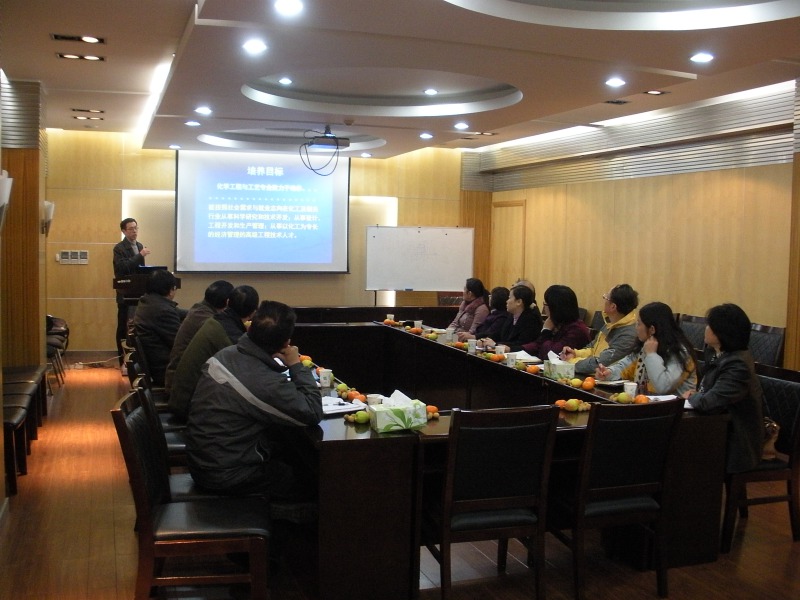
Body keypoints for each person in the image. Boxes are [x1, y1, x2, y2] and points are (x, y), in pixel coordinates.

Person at [186, 300, 323, 499]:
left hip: (203, 459)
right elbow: (312, 412)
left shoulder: (226, 354)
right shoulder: (263, 382)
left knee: (287, 446)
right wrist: (295, 365)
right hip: (225, 473)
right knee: (305, 475)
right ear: (286, 343)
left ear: (250, 328)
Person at [684, 304, 764, 473]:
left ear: (721, 333)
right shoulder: (716, 354)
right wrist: (698, 395)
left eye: (709, 325)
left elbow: (708, 402)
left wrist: (692, 396)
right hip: (716, 429)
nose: (705, 328)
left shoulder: (738, 364)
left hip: (736, 442)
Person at [169, 285, 260, 421]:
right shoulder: (230, 337)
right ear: (253, 313)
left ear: (228, 302)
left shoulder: (215, 321)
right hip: (190, 407)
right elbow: (248, 377)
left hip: (183, 397)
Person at [596, 301, 697, 396]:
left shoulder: (680, 353)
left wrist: (652, 355)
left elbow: (663, 387)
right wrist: (608, 372)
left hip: (675, 407)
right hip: (646, 403)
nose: (636, 327)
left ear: (652, 329)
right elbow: (626, 365)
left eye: (639, 324)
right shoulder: (645, 346)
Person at [164, 280, 233, 391]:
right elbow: (229, 348)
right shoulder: (208, 321)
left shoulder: (200, 310)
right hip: (182, 387)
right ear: (228, 302)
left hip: (178, 379)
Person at [560, 283, 639, 375]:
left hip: (605, 378)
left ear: (613, 306)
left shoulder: (628, 335)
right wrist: (575, 353)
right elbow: (592, 348)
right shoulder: (610, 323)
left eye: (606, 298)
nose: (604, 300)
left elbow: (600, 363)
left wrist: (571, 362)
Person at [132, 269, 185, 387]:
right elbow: (180, 344)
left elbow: (179, 312)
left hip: (157, 367)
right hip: (167, 371)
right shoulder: (163, 311)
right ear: (171, 290)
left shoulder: (148, 301)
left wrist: (197, 313)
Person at [113, 218, 150, 369]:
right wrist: (140, 255)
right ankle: (122, 360)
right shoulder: (119, 248)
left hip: (139, 293)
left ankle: (136, 360)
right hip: (126, 293)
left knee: (137, 327)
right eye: (131, 229)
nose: (134, 231)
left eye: (136, 228)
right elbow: (123, 268)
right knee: (124, 327)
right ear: (123, 231)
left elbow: (139, 270)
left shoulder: (139, 245)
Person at [521, 285, 591, 359]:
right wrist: (519, 349)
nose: (544, 308)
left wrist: (546, 331)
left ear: (555, 308)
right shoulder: (559, 323)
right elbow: (538, 344)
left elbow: (549, 355)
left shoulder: (576, 330)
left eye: (545, 304)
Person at [482, 284, 542, 351]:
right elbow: (500, 334)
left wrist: (495, 344)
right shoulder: (511, 315)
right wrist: (485, 340)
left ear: (519, 302)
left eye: (509, 298)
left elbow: (520, 344)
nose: (507, 301)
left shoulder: (531, 320)